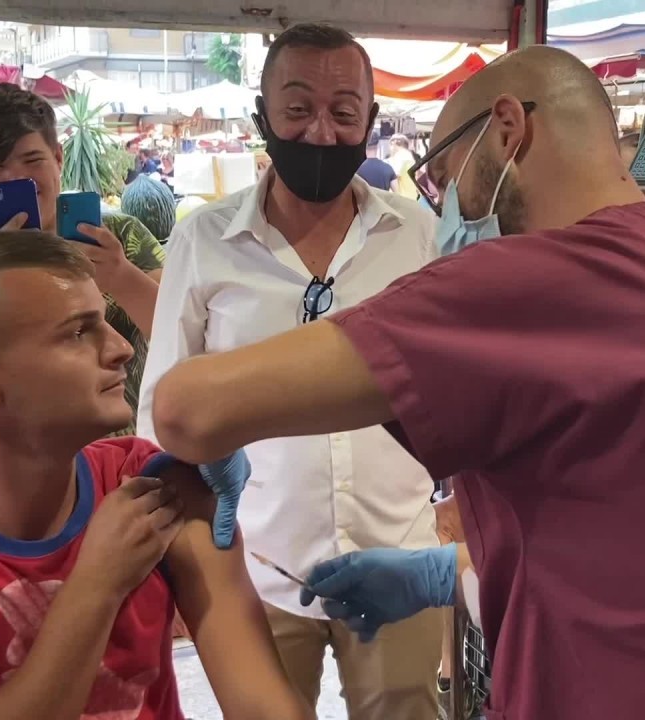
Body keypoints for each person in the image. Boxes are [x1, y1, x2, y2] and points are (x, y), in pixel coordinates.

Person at [147, 44, 645, 719]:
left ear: (507, 131)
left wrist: (215, 444)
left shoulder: (533, 280)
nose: (445, 208)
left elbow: (185, 408)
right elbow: (638, 536)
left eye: (444, 177)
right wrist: (442, 573)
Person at [0, 231, 310, 720]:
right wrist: (97, 585)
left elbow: (263, 704)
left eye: (105, 322)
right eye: (79, 332)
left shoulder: (149, 481)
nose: (122, 348)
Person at [136, 23, 442, 720]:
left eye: (344, 112)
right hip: (256, 567)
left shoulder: (418, 237)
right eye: (298, 109)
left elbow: (454, 388)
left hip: (398, 552)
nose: (321, 133)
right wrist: (184, 553)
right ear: (262, 117)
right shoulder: (204, 241)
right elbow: (162, 408)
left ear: (370, 120)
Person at [0, 83, 165, 432]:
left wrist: (121, 276)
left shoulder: (122, 236)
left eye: (32, 160)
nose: (17, 178)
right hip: (20, 449)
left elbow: (180, 334)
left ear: (58, 157)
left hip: (125, 447)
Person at [388, 133, 420, 200]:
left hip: (402, 198)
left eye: (390, 145)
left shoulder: (400, 156)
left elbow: (393, 176)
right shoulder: (409, 157)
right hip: (411, 197)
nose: (390, 149)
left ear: (394, 143)